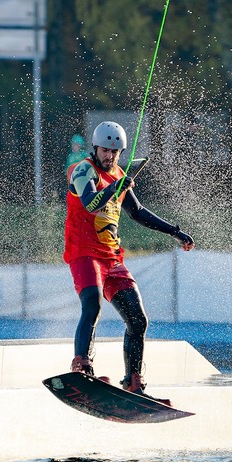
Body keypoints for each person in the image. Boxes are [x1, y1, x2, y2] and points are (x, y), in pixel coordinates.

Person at [64, 120, 195, 405]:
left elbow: (138, 211)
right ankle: (82, 366)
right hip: (84, 253)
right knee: (92, 304)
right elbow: (89, 203)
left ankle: (133, 382)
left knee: (138, 319)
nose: (109, 157)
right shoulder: (83, 170)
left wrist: (175, 231)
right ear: (95, 148)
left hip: (111, 258)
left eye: (115, 152)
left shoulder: (120, 175)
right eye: (105, 151)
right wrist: (115, 187)